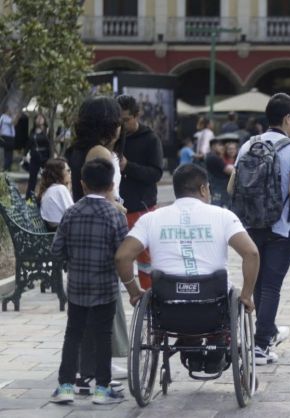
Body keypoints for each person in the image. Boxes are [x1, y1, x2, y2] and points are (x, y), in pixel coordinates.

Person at [115, 163, 260, 371]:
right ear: (203, 189)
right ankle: (216, 348)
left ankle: (189, 343)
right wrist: (246, 296)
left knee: (172, 302)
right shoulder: (223, 216)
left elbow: (122, 257)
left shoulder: (151, 219)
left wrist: (133, 290)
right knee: (228, 298)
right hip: (214, 308)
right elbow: (251, 253)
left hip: (168, 310)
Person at [49, 158, 138, 405]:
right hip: (105, 286)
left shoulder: (71, 212)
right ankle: (102, 389)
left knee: (73, 334)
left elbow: (56, 251)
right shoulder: (114, 215)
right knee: (103, 335)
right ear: (111, 185)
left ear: (82, 184)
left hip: (77, 286)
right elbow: (122, 254)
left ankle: (66, 386)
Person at [228, 92, 290, 365]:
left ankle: (267, 331)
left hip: (250, 225)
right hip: (281, 227)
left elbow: (231, 187)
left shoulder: (248, 145)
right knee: (272, 286)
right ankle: (261, 345)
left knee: (258, 283)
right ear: (287, 118)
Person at [64, 96, 130, 393]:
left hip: (82, 230)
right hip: (101, 229)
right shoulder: (100, 151)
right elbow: (104, 192)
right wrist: (117, 207)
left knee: (86, 309)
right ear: (110, 124)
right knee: (101, 306)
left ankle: (87, 369)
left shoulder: (78, 149)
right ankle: (91, 372)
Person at [117, 94, 164, 290]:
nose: (122, 125)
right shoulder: (115, 137)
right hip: (116, 208)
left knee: (146, 257)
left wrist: (128, 167)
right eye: (118, 120)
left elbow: (155, 174)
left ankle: (149, 296)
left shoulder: (150, 139)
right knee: (118, 254)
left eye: (126, 120)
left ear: (137, 116)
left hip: (141, 208)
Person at [38, 158, 74, 231]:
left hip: (56, 231)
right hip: (61, 233)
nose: (70, 173)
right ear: (59, 173)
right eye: (68, 170)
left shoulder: (51, 189)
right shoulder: (60, 189)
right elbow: (73, 214)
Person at [26, 113, 52, 199]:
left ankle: (45, 197)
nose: (39, 120)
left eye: (41, 118)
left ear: (44, 120)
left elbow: (50, 145)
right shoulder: (32, 131)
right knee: (32, 179)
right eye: (37, 118)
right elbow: (29, 144)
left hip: (44, 157)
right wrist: (26, 154)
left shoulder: (47, 130)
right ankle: (29, 198)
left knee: (46, 178)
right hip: (34, 157)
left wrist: (50, 157)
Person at [205, 138, 233, 208]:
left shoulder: (211, 156)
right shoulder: (213, 157)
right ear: (213, 146)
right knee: (219, 206)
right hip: (219, 187)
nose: (222, 147)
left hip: (217, 186)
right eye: (220, 145)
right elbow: (229, 170)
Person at [0, 106, 16, 171]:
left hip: (10, 137)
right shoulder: (3, 117)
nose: (11, 111)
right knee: (7, 153)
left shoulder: (7, 117)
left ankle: (8, 167)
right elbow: (12, 122)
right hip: (6, 137)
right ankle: (6, 167)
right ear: (7, 110)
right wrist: (16, 115)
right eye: (9, 110)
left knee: (10, 153)